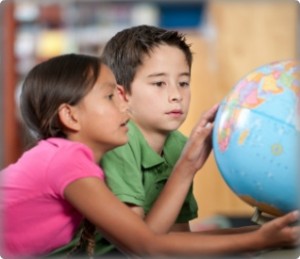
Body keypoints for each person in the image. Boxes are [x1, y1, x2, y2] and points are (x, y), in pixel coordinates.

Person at [1, 53, 300, 259]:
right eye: (110, 96)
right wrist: (261, 240)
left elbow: (147, 239)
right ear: (71, 116)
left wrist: (187, 166)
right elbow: (147, 248)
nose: (125, 105)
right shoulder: (66, 160)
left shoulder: (68, 161)